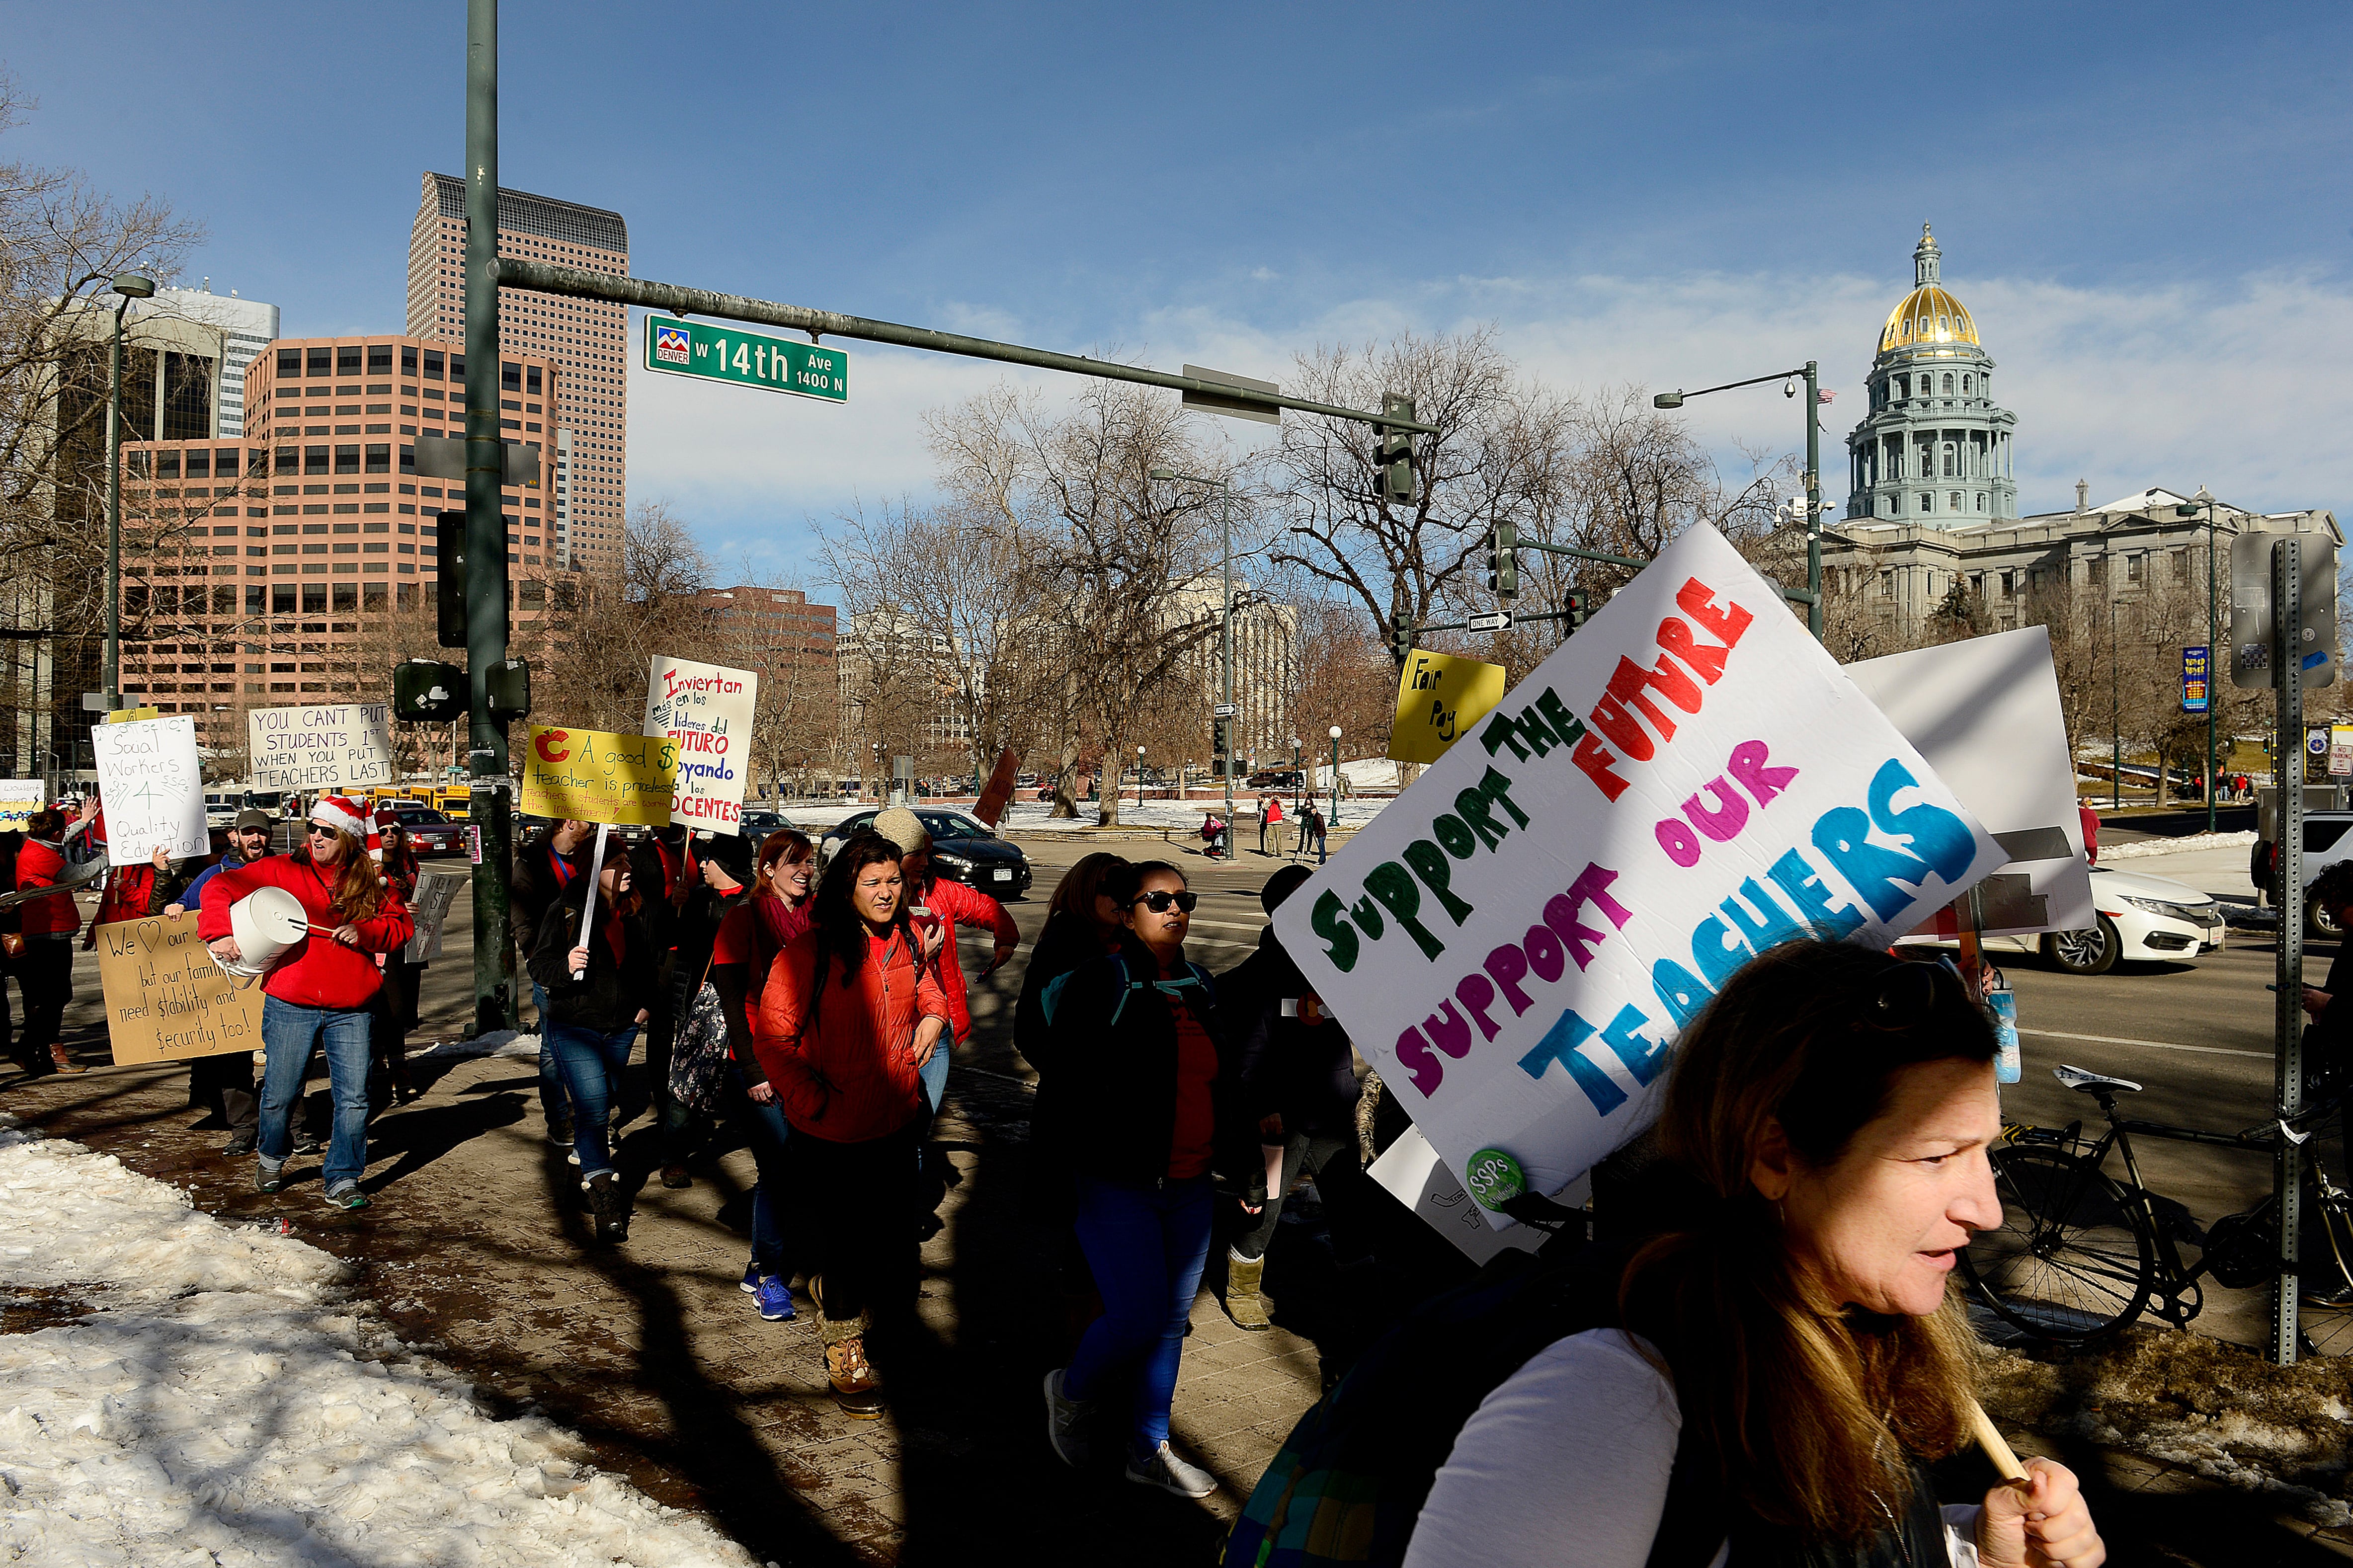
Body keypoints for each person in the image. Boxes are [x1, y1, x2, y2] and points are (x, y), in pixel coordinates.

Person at [1401, 941, 2104, 1568]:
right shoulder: (1606, 1401)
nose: (1986, 1211)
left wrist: (1971, 1550)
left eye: (1982, 1150)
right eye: (1935, 1156)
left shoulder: (1848, 1326)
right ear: (1775, 1156)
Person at [1040, 861, 1249, 1500]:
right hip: (1118, 1184)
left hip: (1190, 1185)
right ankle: (1070, 1393)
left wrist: (1243, 1166)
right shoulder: (1100, 982)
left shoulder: (1202, 985)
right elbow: (1064, 1089)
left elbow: (1229, 1085)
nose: (1174, 910)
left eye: (1183, 899)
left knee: (1169, 1323)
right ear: (1125, 913)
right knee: (1134, 1320)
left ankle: (1147, 1447)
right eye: (1156, 900)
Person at [754, 830, 948, 1418]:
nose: (888, 893)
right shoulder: (807, 955)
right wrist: (810, 1100)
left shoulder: (909, 941)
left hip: (895, 1120)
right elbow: (773, 1036)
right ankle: (844, 1347)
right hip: (832, 1130)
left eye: (895, 881)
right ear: (847, 888)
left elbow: (931, 992)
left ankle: (846, 1303)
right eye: (874, 883)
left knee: (889, 1241)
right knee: (843, 1249)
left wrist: (934, 1019)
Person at [200, 795, 413, 1210]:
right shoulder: (282, 870)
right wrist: (217, 932)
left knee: (354, 1098)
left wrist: (363, 931)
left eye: (327, 831)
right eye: (312, 828)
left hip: (352, 1007)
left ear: (348, 839)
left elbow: (399, 925)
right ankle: (272, 1155)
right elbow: (219, 886)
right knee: (281, 1091)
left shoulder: (370, 880)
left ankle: (343, 1178)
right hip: (290, 1003)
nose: (315, 836)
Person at [1217, 863, 1368, 1331]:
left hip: (1332, 1109)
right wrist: (1262, 1105)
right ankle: (1241, 1288)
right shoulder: (1259, 974)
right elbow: (1248, 1050)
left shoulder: (1337, 959)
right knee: (1267, 1207)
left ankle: (1359, 1282)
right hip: (1281, 1120)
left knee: (1348, 1203)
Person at [710, 828, 818, 1320]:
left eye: (810, 862)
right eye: (793, 862)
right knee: (777, 1170)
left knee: (802, 1170)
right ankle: (769, 1274)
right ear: (767, 869)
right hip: (757, 1068)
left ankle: (762, 1267)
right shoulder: (743, 919)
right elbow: (731, 1001)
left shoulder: (819, 919)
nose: (804, 871)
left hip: (808, 1065)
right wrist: (753, 1069)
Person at [528, 847, 654, 1242]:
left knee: (604, 1102)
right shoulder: (567, 910)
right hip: (576, 1027)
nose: (627, 869)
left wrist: (645, 1004)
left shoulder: (634, 908)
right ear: (595, 867)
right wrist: (566, 967)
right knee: (595, 1109)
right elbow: (540, 965)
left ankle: (579, 1166)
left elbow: (647, 961)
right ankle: (605, 1195)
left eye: (628, 862)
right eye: (618, 864)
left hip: (622, 1026)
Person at [869, 806, 1018, 1117]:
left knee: (921, 1125)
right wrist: (919, 953)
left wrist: (1005, 937)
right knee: (892, 1126)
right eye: (915, 854)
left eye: (927, 853)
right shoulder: (870, 902)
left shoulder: (939, 892)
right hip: (887, 1033)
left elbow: (984, 906)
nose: (925, 861)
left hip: (937, 1029)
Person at [172, 809, 276, 1152]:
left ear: (269, 836)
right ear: (236, 836)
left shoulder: (284, 871)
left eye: (261, 833)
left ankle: (294, 1126)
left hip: (276, 980)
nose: (255, 839)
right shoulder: (214, 874)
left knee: (285, 1061)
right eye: (248, 833)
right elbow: (186, 907)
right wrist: (175, 907)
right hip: (230, 983)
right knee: (234, 1062)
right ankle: (243, 1129)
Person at [514, 818, 595, 1148]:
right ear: (568, 823)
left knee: (590, 1042)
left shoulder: (591, 858)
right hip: (552, 968)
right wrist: (539, 960)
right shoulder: (532, 864)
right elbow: (522, 918)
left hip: (590, 966)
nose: (590, 830)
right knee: (551, 1050)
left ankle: (591, 1114)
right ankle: (558, 1118)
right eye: (587, 825)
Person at [11, 808, 85, 1078]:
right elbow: (79, 873)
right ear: (54, 832)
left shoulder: (37, 846)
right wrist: (112, 859)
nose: (65, 834)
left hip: (51, 930)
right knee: (54, 997)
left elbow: (61, 841)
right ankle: (30, 1047)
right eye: (63, 830)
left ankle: (42, 1051)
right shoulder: (41, 855)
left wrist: (83, 823)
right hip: (48, 932)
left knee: (52, 997)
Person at [369, 812, 425, 1106]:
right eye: (382, 830)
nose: (389, 835)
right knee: (390, 1010)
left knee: (402, 1013)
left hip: (411, 946)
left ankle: (395, 1067)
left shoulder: (409, 862)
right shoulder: (367, 866)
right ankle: (392, 1072)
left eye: (394, 830)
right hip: (383, 947)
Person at [1258, 793, 1283, 857]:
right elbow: (1265, 808)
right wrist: (1270, 801)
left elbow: (1283, 809)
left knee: (1278, 838)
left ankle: (1279, 852)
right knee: (1270, 838)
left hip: (1278, 822)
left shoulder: (1279, 803)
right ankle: (1270, 851)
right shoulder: (1269, 803)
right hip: (1270, 822)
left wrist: (1279, 801)